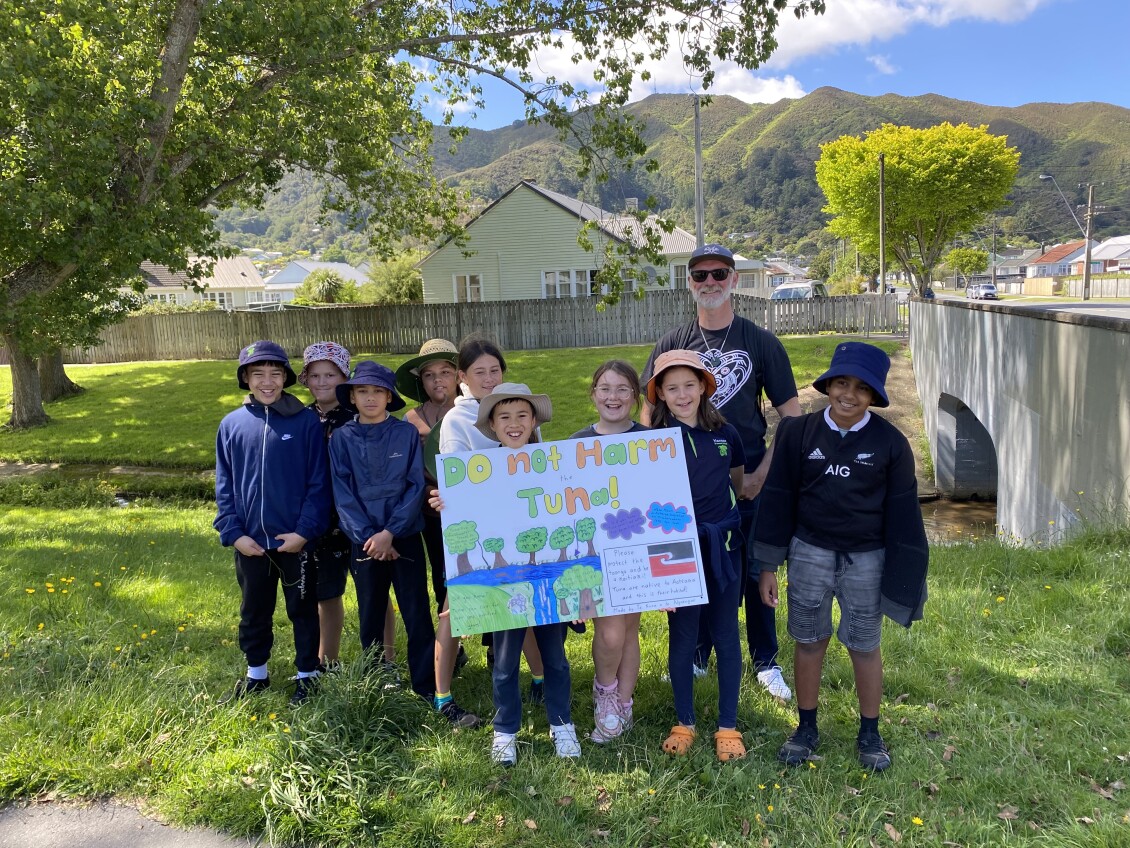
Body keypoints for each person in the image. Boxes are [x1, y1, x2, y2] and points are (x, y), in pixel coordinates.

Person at [753, 342, 928, 771]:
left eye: (862, 389)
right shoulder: (797, 433)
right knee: (809, 640)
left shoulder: (891, 444)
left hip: (867, 558)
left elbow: (904, 517)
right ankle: (806, 727)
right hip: (809, 552)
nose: (849, 395)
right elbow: (777, 501)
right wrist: (769, 565)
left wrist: (905, 580)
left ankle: (870, 730)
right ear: (829, 384)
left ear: (874, 397)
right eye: (842, 383)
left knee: (864, 645)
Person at [642, 243, 802, 700]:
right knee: (697, 571)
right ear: (688, 283)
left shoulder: (760, 342)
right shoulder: (672, 344)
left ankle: (765, 661)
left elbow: (790, 417)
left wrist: (760, 475)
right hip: (687, 489)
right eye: (700, 275)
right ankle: (696, 654)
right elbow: (647, 417)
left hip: (748, 479)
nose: (709, 282)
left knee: (753, 571)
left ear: (734, 279)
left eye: (719, 274)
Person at [433, 383, 579, 766]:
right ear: (492, 426)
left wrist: (582, 589)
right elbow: (467, 525)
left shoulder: (554, 465)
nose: (514, 424)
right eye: (504, 417)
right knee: (504, 662)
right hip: (502, 585)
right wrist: (448, 499)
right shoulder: (475, 473)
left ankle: (562, 724)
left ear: (533, 422)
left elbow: (574, 515)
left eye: (522, 415)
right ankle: (505, 730)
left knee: (556, 660)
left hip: (548, 580)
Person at [214, 340, 330, 705]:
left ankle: (307, 675)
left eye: (275, 374)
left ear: (286, 378)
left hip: (295, 542)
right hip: (250, 543)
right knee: (254, 610)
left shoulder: (306, 422)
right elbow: (224, 483)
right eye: (258, 374)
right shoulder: (232, 425)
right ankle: (257, 674)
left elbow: (318, 482)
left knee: (302, 608)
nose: (267, 381)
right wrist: (233, 533)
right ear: (245, 378)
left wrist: (304, 532)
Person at [647, 350, 748, 762]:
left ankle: (728, 724)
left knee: (725, 632)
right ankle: (684, 721)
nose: (682, 394)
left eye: (690, 385)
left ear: (705, 386)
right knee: (684, 635)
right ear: (661, 395)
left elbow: (736, 482)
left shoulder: (727, 433)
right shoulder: (650, 442)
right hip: (676, 551)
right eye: (672, 388)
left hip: (722, 545)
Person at [437, 335, 545, 702]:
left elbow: (538, 462)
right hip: (474, 526)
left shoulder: (520, 406)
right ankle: (442, 694)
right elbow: (455, 477)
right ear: (462, 377)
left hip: (519, 522)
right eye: (479, 372)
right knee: (455, 607)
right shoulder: (457, 419)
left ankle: (541, 678)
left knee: (521, 600)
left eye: (495, 370)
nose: (488, 379)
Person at [328, 361, 436, 702]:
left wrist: (391, 532)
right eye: (363, 391)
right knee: (371, 609)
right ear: (353, 396)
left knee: (416, 610)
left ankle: (425, 684)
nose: (370, 398)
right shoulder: (342, 438)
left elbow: (414, 485)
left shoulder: (405, 434)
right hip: (364, 540)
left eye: (377, 391)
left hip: (403, 536)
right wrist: (370, 536)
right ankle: (375, 679)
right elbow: (342, 492)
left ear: (389, 397)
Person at [395, 339, 479, 728]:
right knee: (443, 577)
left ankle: (495, 646)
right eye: (428, 376)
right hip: (432, 507)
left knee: (482, 569)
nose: (437, 381)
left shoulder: (475, 409)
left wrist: (429, 429)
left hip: (474, 507)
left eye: (444, 372)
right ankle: (450, 650)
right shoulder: (414, 416)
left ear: (457, 375)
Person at [298, 341, 390, 672]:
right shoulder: (300, 418)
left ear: (344, 378)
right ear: (305, 379)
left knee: (375, 591)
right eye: (315, 375)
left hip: (363, 519)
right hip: (321, 522)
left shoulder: (361, 415)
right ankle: (328, 660)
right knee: (327, 592)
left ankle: (384, 660)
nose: (323, 382)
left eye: (331, 375)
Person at [569, 360, 648, 743]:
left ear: (635, 397)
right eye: (605, 388)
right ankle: (605, 696)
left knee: (629, 630)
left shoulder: (652, 442)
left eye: (622, 389)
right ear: (593, 394)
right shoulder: (574, 444)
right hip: (594, 554)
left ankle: (624, 702)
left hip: (636, 552)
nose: (612, 397)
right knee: (612, 633)